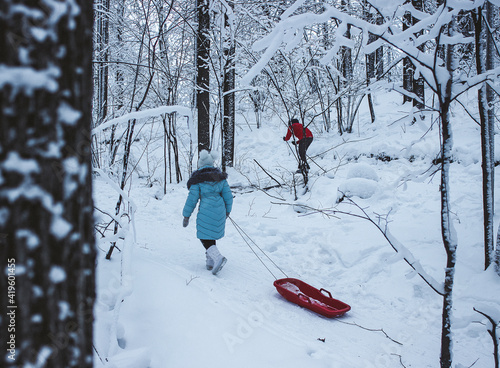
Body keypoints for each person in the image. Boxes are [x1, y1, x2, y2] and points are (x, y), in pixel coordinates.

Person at [182, 150, 233, 275]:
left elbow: (192, 199)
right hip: (220, 208)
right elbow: (228, 196)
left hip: (206, 208)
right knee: (209, 234)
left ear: (201, 163)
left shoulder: (198, 180)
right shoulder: (220, 178)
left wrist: (186, 215)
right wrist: (227, 211)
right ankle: (210, 262)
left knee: (203, 234)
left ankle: (217, 257)